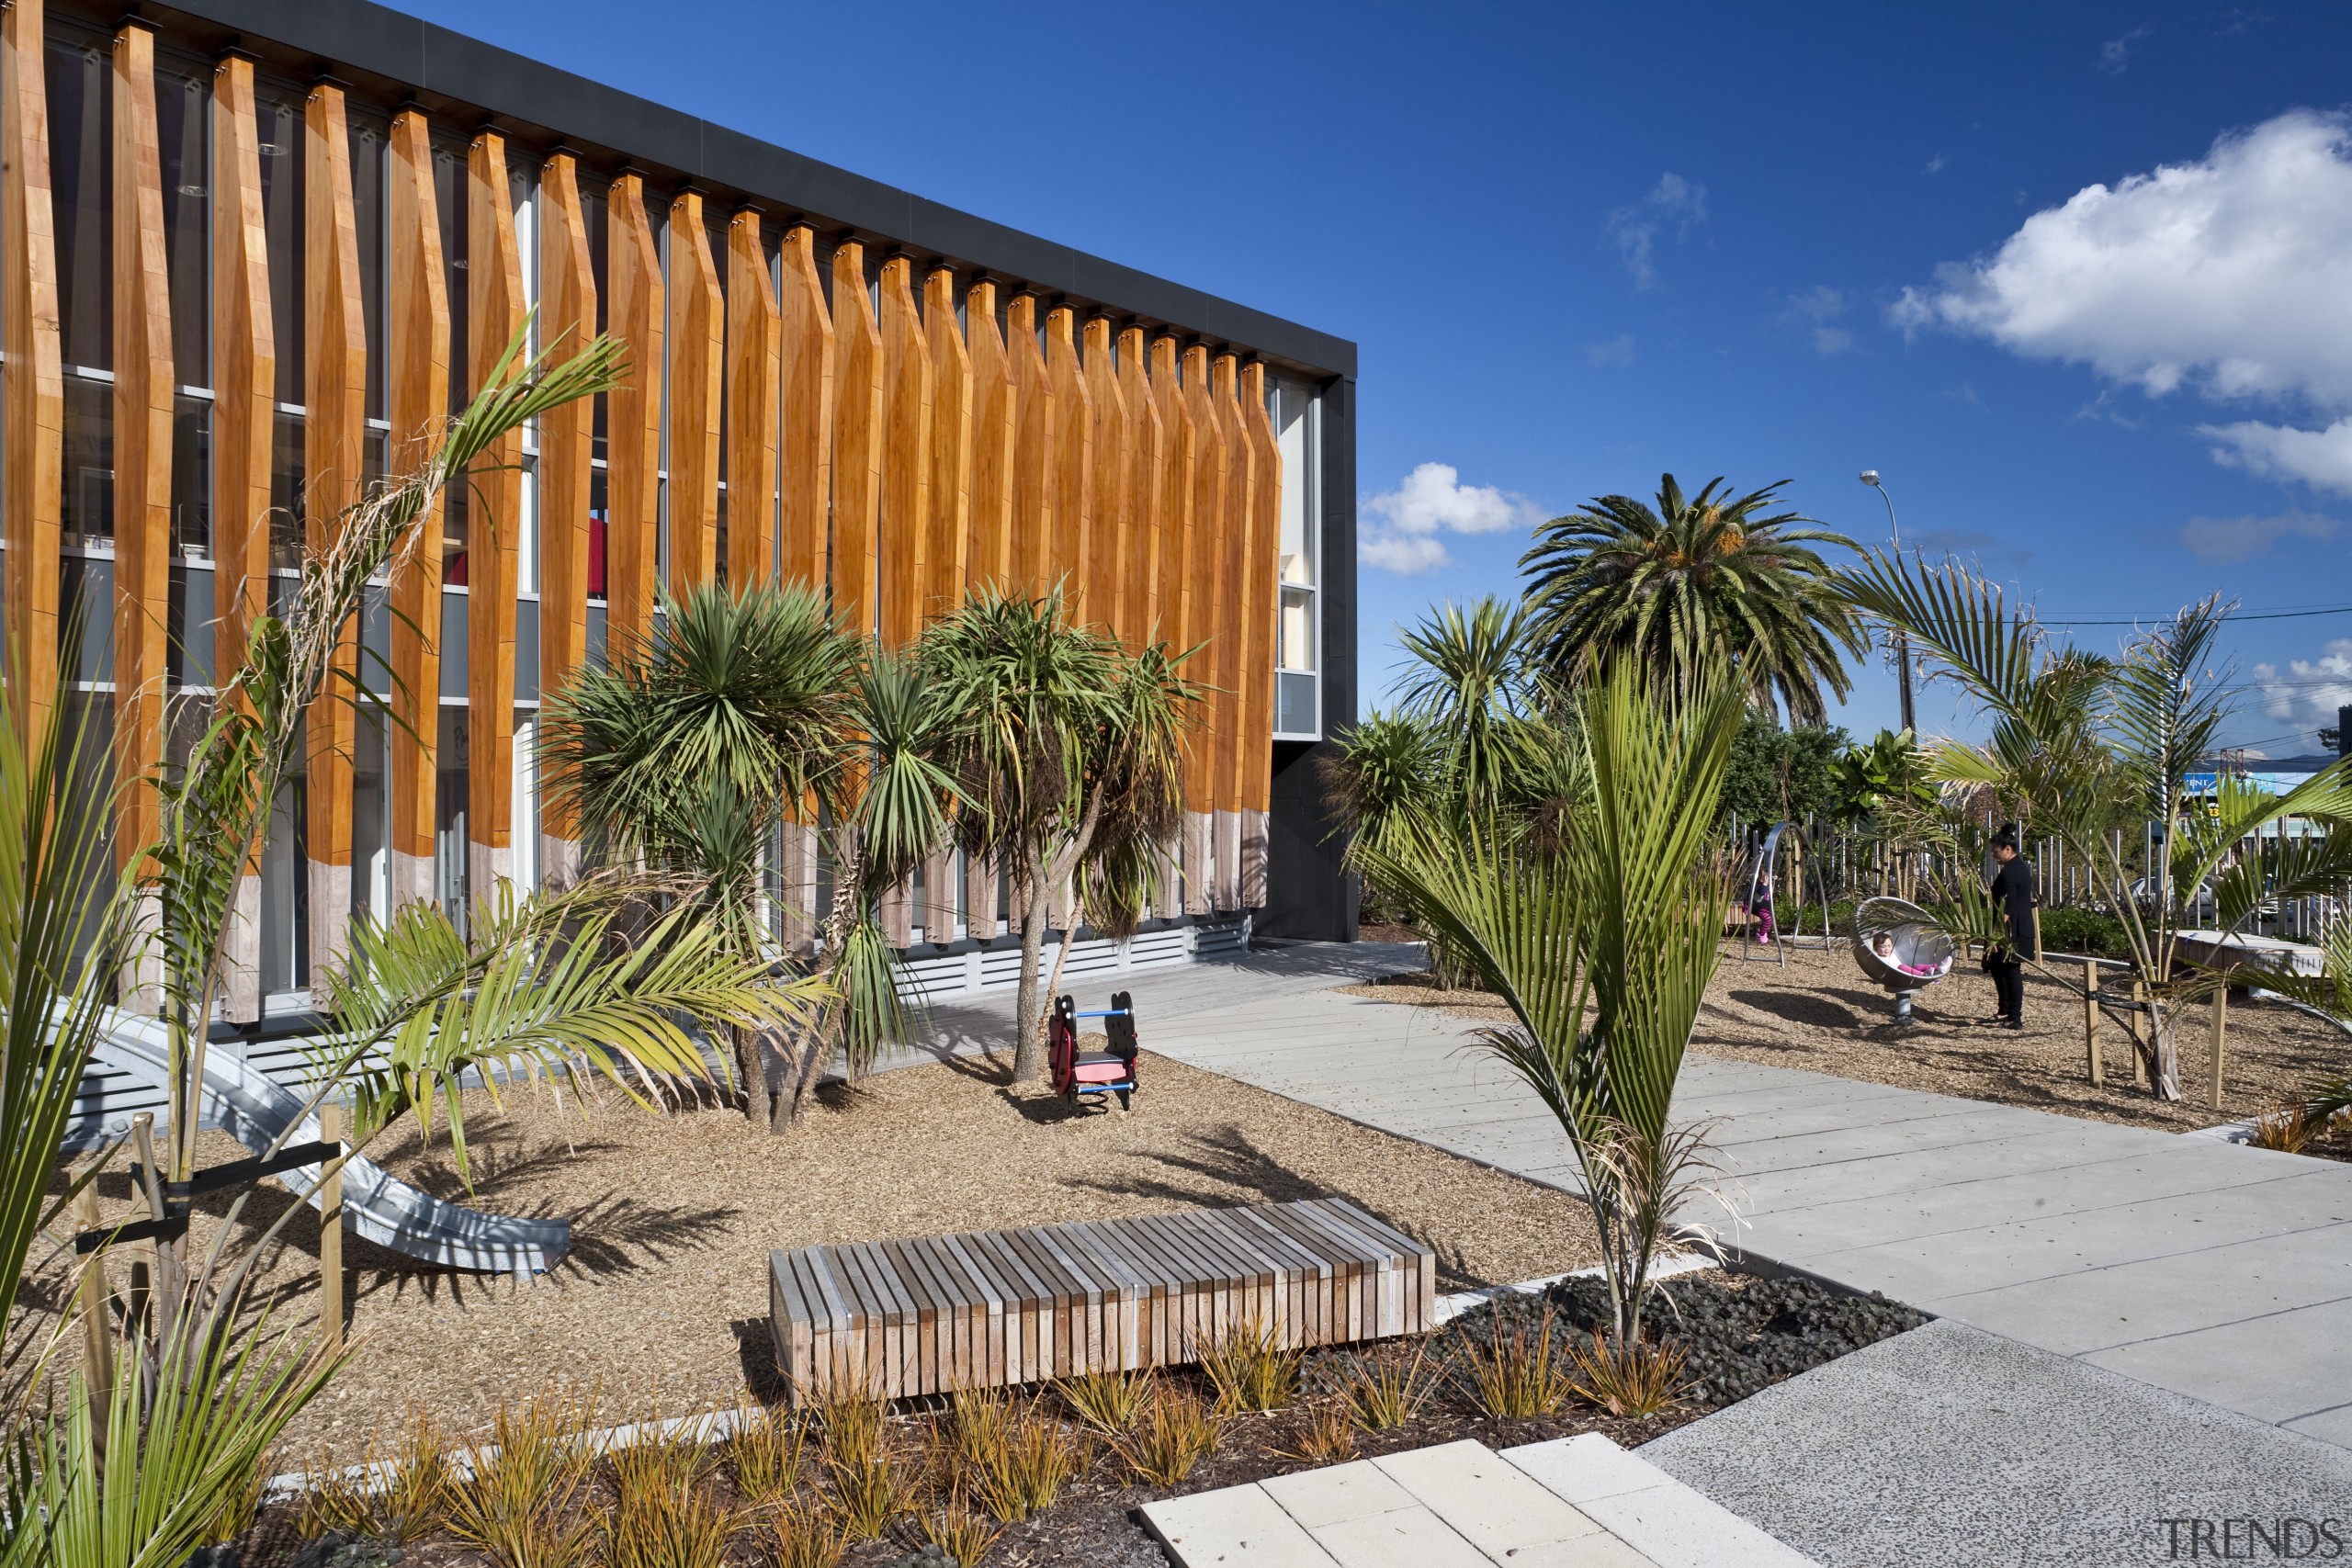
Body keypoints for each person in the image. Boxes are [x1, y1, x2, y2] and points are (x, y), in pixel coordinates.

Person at [1984, 829, 2035, 1029]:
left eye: (1996, 852)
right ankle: (2005, 1010)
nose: (1994, 856)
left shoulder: (2014, 870)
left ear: (2008, 849)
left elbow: (2009, 903)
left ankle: (2015, 1016)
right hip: (2009, 925)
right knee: (1998, 968)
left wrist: (1998, 931)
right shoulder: (2014, 867)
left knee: (2010, 970)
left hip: (2012, 928)